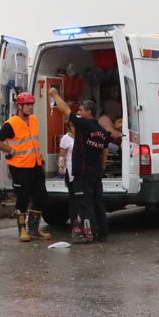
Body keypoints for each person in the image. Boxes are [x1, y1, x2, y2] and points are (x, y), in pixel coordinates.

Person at [49, 88, 110, 244]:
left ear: (88, 112)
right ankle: (102, 232)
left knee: (84, 204)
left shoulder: (83, 124)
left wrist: (55, 94)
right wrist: (101, 168)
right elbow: (105, 152)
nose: (79, 111)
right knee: (98, 203)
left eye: (81, 110)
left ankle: (89, 235)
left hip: (82, 173)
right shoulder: (102, 131)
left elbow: (65, 109)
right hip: (95, 173)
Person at [0, 92, 51, 242]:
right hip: (20, 167)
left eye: (32, 104)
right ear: (19, 106)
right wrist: (10, 151)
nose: (30, 107)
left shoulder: (34, 120)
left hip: (35, 165)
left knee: (41, 196)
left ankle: (34, 229)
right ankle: (22, 230)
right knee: (22, 199)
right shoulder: (11, 123)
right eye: (27, 105)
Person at [58, 121, 79, 237]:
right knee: (73, 197)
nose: (74, 128)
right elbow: (62, 156)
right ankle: (74, 222)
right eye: (72, 126)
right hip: (71, 172)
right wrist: (61, 166)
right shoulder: (66, 139)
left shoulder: (83, 136)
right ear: (68, 127)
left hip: (82, 172)